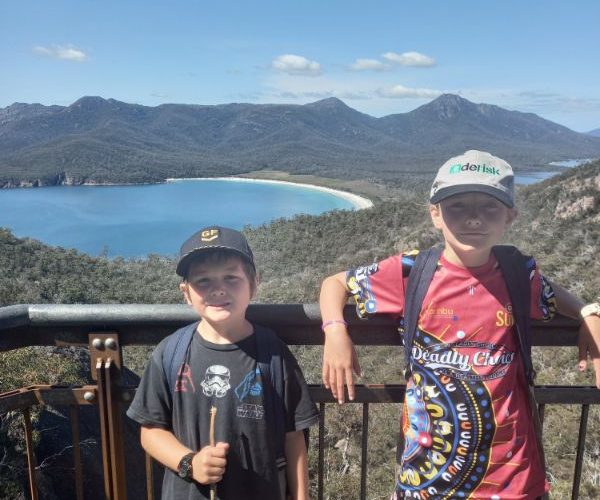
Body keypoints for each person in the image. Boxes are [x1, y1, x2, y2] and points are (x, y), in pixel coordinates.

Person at [319, 150, 600, 499]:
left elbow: (550, 293)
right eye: (458, 207)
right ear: (435, 214)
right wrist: (334, 330)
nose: (473, 219)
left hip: (514, 478)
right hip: (428, 480)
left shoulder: (517, 273)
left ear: (510, 216)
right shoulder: (409, 273)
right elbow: (335, 283)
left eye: (489, 207)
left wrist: (589, 313)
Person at [127, 226, 319, 500]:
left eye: (231, 278)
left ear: (253, 284)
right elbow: (151, 430)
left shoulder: (274, 354)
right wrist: (189, 462)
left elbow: (294, 436)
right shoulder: (170, 353)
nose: (218, 290)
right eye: (203, 281)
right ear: (186, 293)